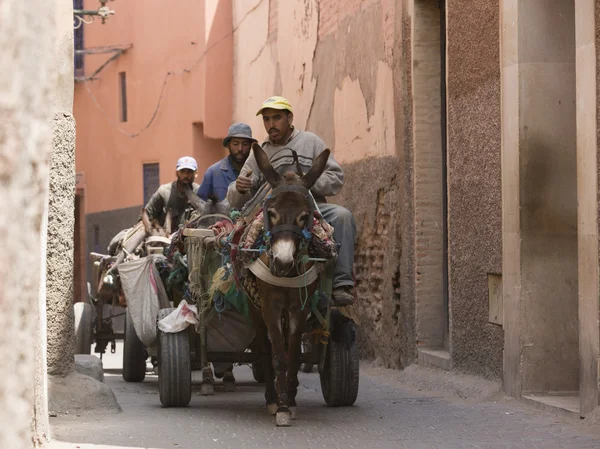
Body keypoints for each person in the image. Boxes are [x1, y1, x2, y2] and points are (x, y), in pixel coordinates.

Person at [226, 96, 356, 306]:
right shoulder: (261, 152)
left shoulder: (311, 142)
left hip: (311, 208)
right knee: (242, 236)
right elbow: (234, 197)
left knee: (343, 216)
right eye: (266, 119)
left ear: (289, 118)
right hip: (273, 213)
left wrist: (305, 182)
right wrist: (239, 188)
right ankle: (243, 281)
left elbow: (336, 178)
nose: (271, 124)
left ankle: (341, 284)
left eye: (276, 118)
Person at [197, 123, 257, 202]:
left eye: (245, 144)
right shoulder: (213, 172)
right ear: (228, 145)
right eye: (235, 144)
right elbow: (200, 204)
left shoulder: (258, 171)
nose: (240, 149)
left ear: (251, 146)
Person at [144, 156, 200, 234]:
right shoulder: (163, 192)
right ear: (176, 172)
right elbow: (146, 215)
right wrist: (156, 227)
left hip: (190, 239)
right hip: (165, 240)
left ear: (196, 174)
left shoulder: (200, 193)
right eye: (182, 171)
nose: (185, 175)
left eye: (189, 172)